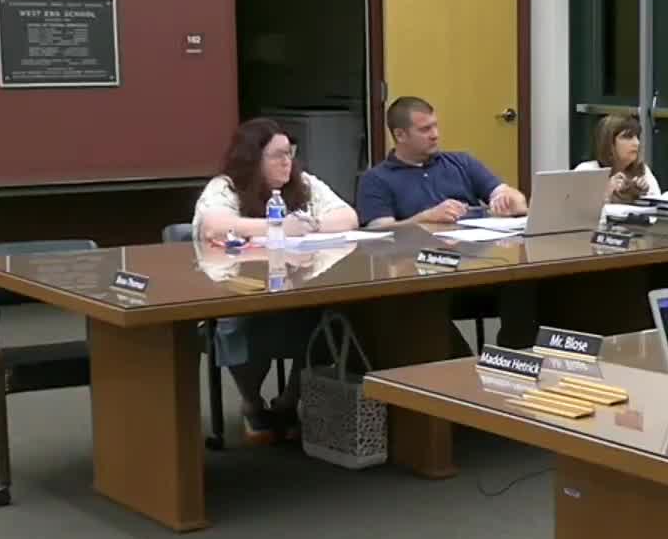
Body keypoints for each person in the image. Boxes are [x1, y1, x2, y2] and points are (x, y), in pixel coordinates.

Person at [192, 118, 357, 445]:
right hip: (238, 290)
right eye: (278, 155)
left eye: (290, 153)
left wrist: (309, 224)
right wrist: (276, 227)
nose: (287, 162)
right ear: (253, 158)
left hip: (297, 287)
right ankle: (252, 402)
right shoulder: (225, 187)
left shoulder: (303, 183)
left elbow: (348, 217)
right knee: (238, 322)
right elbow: (214, 226)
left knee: (334, 315)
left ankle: (288, 401)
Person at [356, 96, 528, 227]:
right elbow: (380, 233)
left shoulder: (462, 162)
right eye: (425, 129)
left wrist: (509, 200)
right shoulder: (376, 179)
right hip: (417, 257)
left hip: (474, 253)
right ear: (400, 135)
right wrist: (425, 218)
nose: (435, 135)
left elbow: (513, 197)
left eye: (435, 126)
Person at [574, 113, 661, 203]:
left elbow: (659, 206)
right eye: (627, 137)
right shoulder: (587, 171)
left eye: (637, 137)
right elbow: (575, 208)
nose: (636, 143)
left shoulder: (643, 171)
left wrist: (642, 196)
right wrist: (606, 193)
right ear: (608, 143)